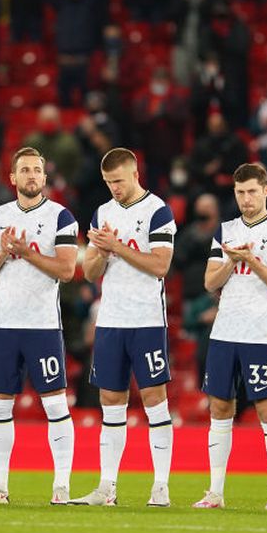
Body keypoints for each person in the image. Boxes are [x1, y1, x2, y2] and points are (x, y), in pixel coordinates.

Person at [0, 148, 79, 505]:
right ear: (12, 178)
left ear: (45, 178)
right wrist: (3, 252)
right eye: (24, 170)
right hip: (4, 325)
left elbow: (67, 270)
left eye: (37, 170)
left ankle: (61, 484)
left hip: (43, 325)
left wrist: (27, 252)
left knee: (55, 405)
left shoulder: (61, 217)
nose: (31, 175)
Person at [73, 148, 176, 507]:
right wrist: (100, 252)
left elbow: (160, 265)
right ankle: (107, 487)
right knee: (110, 402)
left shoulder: (158, 211)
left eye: (118, 181)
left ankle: (160, 486)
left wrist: (117, 245)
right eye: (108, 182)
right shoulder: (103, 212)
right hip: (111, 320)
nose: (114, 188)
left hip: (146, 320)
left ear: (135, 174)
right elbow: (88, 273)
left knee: (154, 401)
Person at [194, 164, 267, 511]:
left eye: (252, 191)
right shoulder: (226, 230)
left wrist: (251, 260)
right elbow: (210, 282)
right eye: (240, 192)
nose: (246, 199)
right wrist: (231, 262)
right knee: (220, 407)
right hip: (224, 333)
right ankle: (215, 492)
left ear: (266, 191)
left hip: (259, 334)